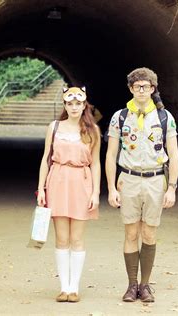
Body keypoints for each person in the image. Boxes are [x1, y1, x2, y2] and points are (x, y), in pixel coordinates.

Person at [105, 67, 178, 303]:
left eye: (146, 86)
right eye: (137, 86)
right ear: (130, 88)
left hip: (156, 179)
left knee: (149, 232)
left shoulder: (164, 117)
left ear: (152, 89)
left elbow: (174, 154)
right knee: (131, 232)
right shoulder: (120, 117)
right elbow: (110, 155)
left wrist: (172, 187)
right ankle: (131, 285)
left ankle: (145, 285)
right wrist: (111, 188)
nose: (141, 90)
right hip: (129, 179)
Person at [37, 86, 101, 303]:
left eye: (78, 103)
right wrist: (41, 189)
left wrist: (95, 192)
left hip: (81, 182)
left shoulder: (92, 131)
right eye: (70, 103)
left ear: (84, 105)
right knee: (61, 238)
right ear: (65, 105)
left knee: (77, 238)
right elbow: (46, 158)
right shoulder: (54, 127)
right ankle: (64, 287)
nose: (74, 107)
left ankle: (74, 287)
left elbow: (96, 163)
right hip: (57, 180)